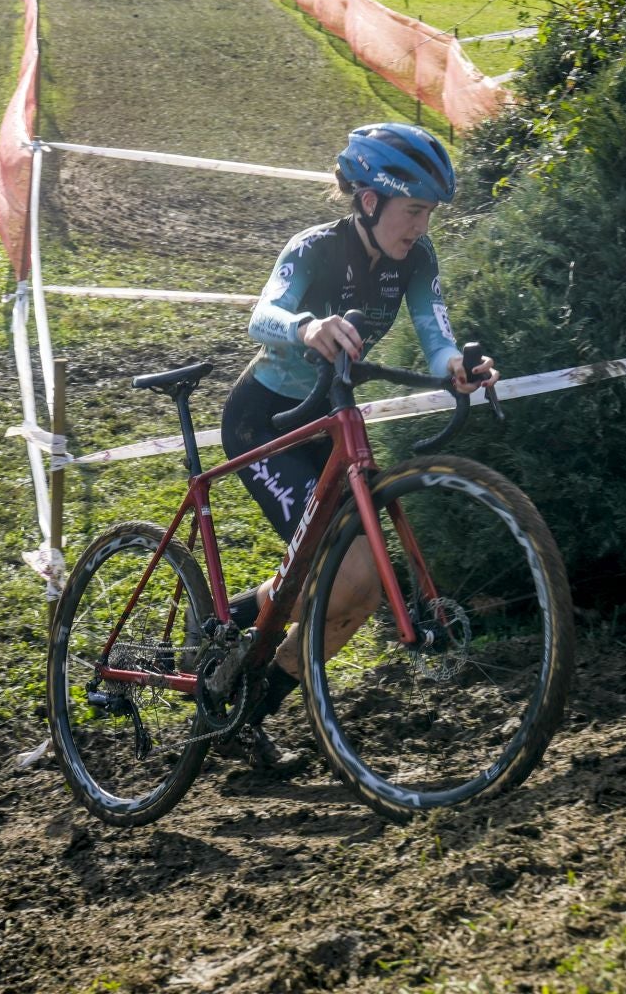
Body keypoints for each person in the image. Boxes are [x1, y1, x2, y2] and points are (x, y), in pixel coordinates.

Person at [213, 122, 498, 773]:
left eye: (429, 213)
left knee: (361, 589)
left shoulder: (417, 262)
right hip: (266, 421)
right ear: (369, 201)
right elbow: (263, 314)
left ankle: (242, 695)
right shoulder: (315, 247)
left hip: (328, 425)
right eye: (414, 210)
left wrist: (456, 366)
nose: (422, 226)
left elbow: (435, 329)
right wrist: (307, 325)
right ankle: (235, 657)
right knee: (332, 574)